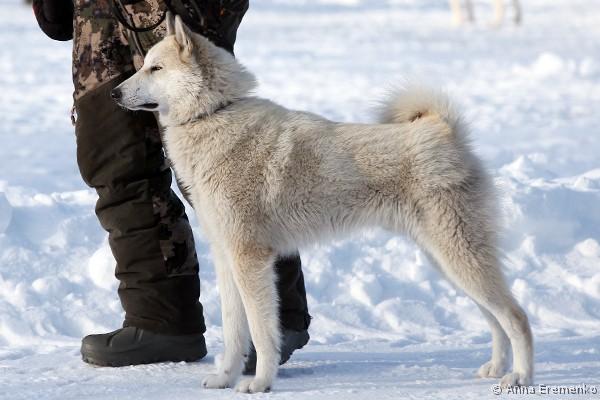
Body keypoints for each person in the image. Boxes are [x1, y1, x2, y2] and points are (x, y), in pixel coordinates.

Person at [32, 0, 310, 370]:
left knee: (227, 167)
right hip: (96, 17)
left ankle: (274, 319)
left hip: (174, 9)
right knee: (115, 163)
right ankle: (161, 321)